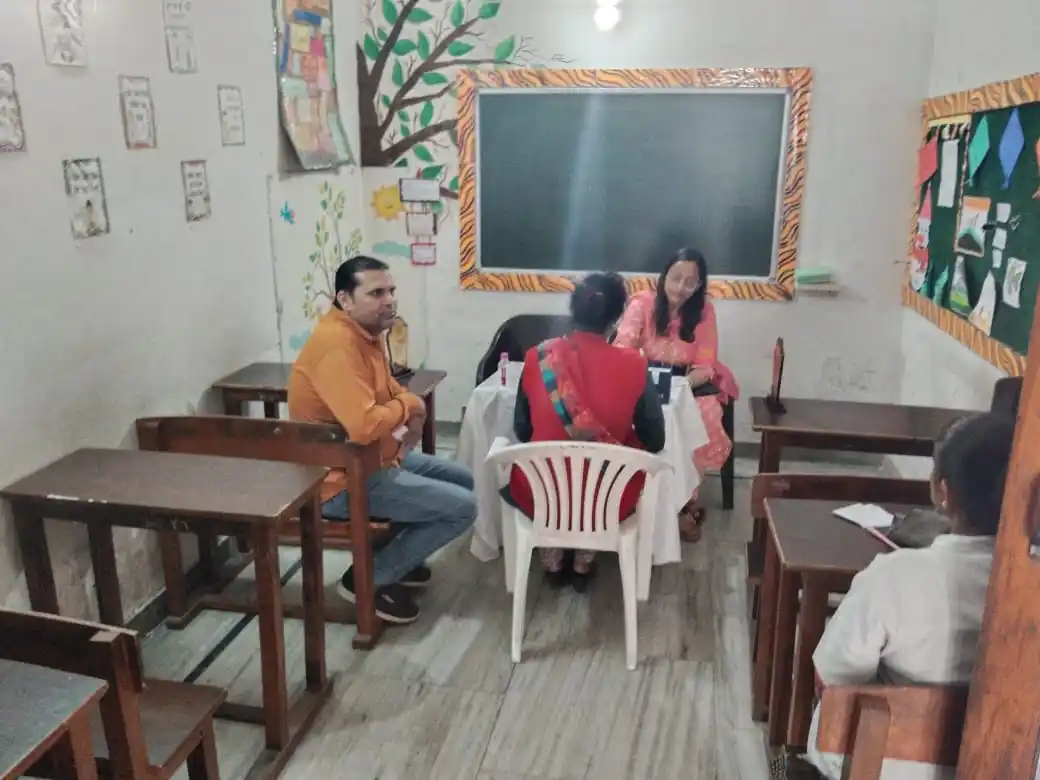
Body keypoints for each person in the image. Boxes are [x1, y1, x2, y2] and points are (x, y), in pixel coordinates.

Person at [800, 412, 1016, 780]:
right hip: (1006, 765)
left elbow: (831, 678)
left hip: (883, 765)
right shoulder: (1024, 590)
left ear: (942, 491)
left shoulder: (893, 576)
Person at [288, 256, 476, 624]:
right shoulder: (338, 346)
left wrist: (407, 406)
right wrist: (411, 405)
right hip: (338, 480)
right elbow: (364, 424)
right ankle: (367, 579)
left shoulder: (366, 335)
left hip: (371, 457)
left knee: (463, 478)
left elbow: (390, 392)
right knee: (463, 508)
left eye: (391, 291)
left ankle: (393, 558)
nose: (389, 300)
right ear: (345, 299)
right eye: (376, 293)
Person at [510, 273, 666, 591]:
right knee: (616, 458)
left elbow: (521, 430)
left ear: (573, 309)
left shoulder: (538, 357)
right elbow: (655, 439)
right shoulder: (635, 365)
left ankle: (552, 558)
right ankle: (584, 559)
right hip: (606, 499)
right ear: (617, 317)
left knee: (545, 467)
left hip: (542, 494)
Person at [614, 247, 738, 542]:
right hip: (644, 379)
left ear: (699, 285)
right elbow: (621, 349)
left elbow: (705, 364)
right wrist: (644, 379)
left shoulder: (704, 311)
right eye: (675, 278)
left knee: (705, 414)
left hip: (688, 382)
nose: (680, 287)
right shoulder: (642, 304)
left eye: (690, 282)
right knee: (628, 414)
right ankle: (639, 493)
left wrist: (681, 386)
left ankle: (684, 500)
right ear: (664, 275)